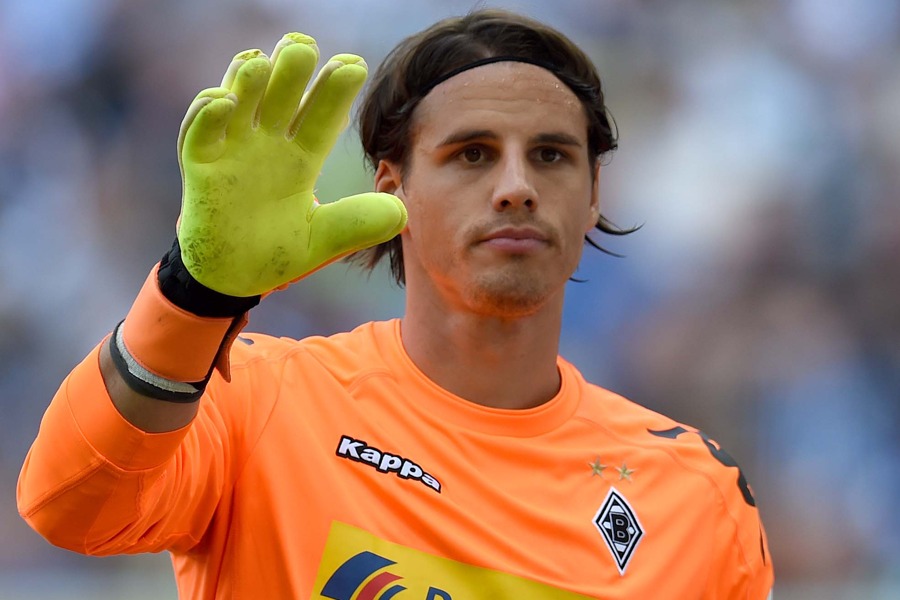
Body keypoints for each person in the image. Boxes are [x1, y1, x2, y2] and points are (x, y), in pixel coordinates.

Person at [18, 9, 774, 599]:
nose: (517, 185)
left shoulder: (694, 499)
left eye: (551, 154)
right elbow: (68, 506)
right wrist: (193, 295)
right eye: (471, 154)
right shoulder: (258, 401)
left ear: (592, 198)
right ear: (391, 189)